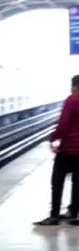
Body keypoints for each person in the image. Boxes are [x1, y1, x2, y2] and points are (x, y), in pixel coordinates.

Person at [35, 74, 79, 226]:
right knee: (77, 182)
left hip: (69, 149)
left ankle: (54, 215)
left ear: (74, 87)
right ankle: (74, 213)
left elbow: (64, 124)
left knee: (57, 180)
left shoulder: (72, 100)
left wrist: (53, 137)